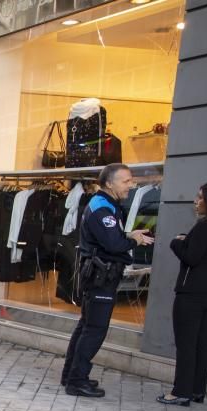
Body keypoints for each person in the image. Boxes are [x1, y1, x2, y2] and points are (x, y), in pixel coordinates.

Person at [61, 163, 154, 397]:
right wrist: (133, 241)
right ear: (109, 183)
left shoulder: (105, 204)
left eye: (132, 181)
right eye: (126, 181)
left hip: (99, 275)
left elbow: (109, 237)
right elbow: (113, 245)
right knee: (94, 329)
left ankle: (71, 375)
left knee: (86, 326)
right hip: (100, 277)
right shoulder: (102, 207)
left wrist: (128, 235)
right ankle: (76, 380)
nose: (131, 186)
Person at [158, 180, 207, 406]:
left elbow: (192, 257)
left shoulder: (205, 225)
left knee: (186, 344)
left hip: (192, 293)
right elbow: (200, 251)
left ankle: (180, 392)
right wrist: (187, 240)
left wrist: (175, 242)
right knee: (201, 342)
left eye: (201, 197)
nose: (196, 201)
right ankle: (196, 390)